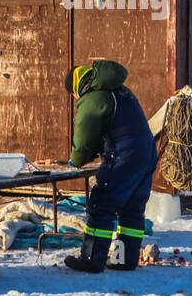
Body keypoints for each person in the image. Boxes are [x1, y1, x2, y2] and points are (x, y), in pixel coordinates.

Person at [64, 60, 158, 273]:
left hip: (124, 156)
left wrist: (77, 160)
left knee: (101, 204)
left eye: (73, 94)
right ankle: (123, 260)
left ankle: (91, 260)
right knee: (131, 209)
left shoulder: (93, 98)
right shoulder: (121, 92)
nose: (76, 98)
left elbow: (84, 138)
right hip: (146, 153)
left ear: (78, 87)